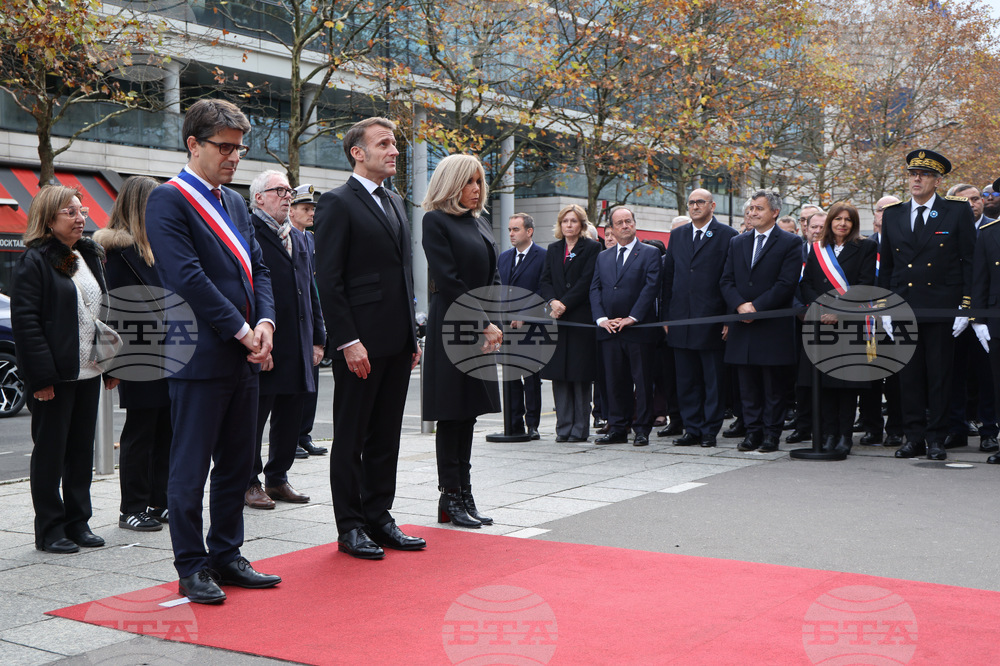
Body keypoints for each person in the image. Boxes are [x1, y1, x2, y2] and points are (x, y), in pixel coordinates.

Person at [145, 98, 280, 604]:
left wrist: (265, 322)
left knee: (237, 464)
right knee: (190, 467)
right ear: (193, 144)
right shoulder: (168, 200)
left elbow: (258, 268)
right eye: (224, 147)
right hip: (200, 355)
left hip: (245, 353)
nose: (234, 157)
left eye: (239, 148)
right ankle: (191, 564)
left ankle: (227, 553)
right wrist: (243, 331)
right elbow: (187, 279)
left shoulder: (237, 203)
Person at [314, 117, 424, 558]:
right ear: (357, 153)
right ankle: (351, 526)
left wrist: (412, 336)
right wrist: (347, 340)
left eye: (394, 143)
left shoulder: (395, 201)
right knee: (351, 437)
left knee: (386, 436)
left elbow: (403, 274)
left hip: (396, 341)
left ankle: (380, 517)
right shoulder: (337, 202)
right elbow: (329, 278)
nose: (394, 150)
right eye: (384, 143)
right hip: (359, 343)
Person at [11, 185, 119, 553]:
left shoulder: (85, 255)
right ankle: (50, 529)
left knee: (80, 452)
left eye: (81, 211)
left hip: (88, 371)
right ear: (48, 219)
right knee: (51, 454)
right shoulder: (36, 261)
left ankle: (78, 522)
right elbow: (27, 324)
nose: (80, 218)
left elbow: (100, 314)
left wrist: (111, 365)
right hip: (55, 376)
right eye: (69, 212)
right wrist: (40, 378)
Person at [421, 153, 502, 528]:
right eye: (469, 181)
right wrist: (484, 323)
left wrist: (493, 322)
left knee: (468, 413)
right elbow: (449, 280)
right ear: (451, 184)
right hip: (453, 323)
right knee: (452, 413)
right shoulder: (435, 220)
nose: (477, 188)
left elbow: (494, 277)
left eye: (479, 181)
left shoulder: (480, 221)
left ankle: (465, 494)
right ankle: (449, 495)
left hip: (480, 325)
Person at [879, 149, 975, 461]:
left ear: (937, 181)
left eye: (923, 175)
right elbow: (888, 266)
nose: (916, 179)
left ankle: (936, 439)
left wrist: (966, 305)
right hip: (904, 306)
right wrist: (885, 306)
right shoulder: (893, 213)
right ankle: (914, 438)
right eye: (912, 174)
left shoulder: (955, 211)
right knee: (909, 378)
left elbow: (970, 261)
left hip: (942, 306)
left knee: (939, 377)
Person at [93, 175, 170, 532]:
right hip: (137, 354)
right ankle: (132, 507)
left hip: (168, 351)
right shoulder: (113, 253)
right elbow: (109, 312)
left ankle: (160, 501)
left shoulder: (157, 246)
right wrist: (113, 366)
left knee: (167, 429)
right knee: (141, 431)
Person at [245, 170, 325, 510]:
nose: (288, 196)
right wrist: (255, 341)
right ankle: (249, 481)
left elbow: (310, 290)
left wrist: (318, 338)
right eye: (280, 190)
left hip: (299, 341)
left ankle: (278, 478)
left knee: (291, 416)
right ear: (259, 197)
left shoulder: (300, 237)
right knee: (254, 418)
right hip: (267, 343)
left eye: (289, 190)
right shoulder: (248, 231)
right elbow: (246, 291)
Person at [720, 189, 802, 453]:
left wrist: (756, 307)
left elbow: (786, 283)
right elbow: (726, 280)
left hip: (771, 325)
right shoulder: (737, 242)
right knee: (747, 385)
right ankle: (752, 432)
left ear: (775, 212)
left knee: (773, 386)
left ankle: (771, 434)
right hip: (743, 325)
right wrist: (740, 305)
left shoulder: (790, 242)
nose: (752, 212)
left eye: (759, 208)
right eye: (751, 208)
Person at [798, 203, 878, 455]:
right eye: (838, 219)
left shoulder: (866, 247)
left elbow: (865, 284)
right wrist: (822, 309)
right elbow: (807, 284)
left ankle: (844, 435)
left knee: (846, 384)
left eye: (848, 220)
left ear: (854, 224)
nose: (842, 224)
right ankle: (828, 434)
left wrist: (838, 312)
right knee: (823, 383)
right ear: (830, 221)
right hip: (821, 323)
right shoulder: (818, 249)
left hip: (849, 324)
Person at [661, 189, 738, 448]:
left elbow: (730, 278)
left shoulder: (727, 235)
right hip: (681, 319)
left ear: (712, 206)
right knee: (686, 380)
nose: (695, 206)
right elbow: (669, 277)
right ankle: (691, 429)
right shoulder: (678, 235)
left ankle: (709, 430)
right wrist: (666, 317)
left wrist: (729, 318)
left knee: (712, 380)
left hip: (712, 319)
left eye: (700, 202)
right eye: (691, 202)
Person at [590, 206, 661, 446]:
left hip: (638, 330)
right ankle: (618, 427)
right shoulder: (603, 256)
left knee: (642, 382)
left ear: (634, 224)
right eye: (619, 223)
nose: (625, 226)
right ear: (610, 229)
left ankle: (641, 429)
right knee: (614, 382)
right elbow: (595, 289)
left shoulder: (650, 253)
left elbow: (651, 287)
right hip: (609, 331)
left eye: (628, 221)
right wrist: (601, 319)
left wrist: (633, 317)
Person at [942, 183, 997, 453]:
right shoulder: (945, 229)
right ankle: (957, 428)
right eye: (964, 201)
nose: (972, 204)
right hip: (954, 312)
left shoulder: (992, 228)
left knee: (987, 374)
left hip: (985, 311)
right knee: (954, 373)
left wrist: (978, 312)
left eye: (976, 198)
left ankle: (989, 430)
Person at [539, 205, 601, 442]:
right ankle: (563, 428)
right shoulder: (554, 249)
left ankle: (579, 429)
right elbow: (545, 280)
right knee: (559, 376)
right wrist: (553, 301)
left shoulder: (592, 248)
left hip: (579, 319)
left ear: (581, 224)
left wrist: (565, 303)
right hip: (557, 320)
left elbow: (587, 281)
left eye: (573, 221)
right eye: (565, 221)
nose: (569, 225)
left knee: (579, 376)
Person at [856, 195, 904, 447]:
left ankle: (896, 428)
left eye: (891, 209)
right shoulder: (864, 246)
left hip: (895, 320)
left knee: (896, 379)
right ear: (874, 214)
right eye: (880, 209)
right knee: (869, 378)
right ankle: (871, 427)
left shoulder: (904, 243)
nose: (884, 214)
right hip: (867, 321)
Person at [288, 183, 328, 458]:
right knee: (292, 388)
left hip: (312, 316)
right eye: (305, 208)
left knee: (311, 383)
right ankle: (289, 439)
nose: (311, 213)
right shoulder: (285, 237)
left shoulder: (311, 239)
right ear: (291, 211)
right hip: (294, 321)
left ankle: (304, 435)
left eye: (312, 208)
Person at [498, 213, 545, 439]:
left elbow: (543, 290)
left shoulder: (543, 256)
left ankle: (532, 424)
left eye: (515, 229)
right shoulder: (504, 257)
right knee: (510, 378)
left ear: (529, 231)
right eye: (509, 229)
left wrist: (525, 314)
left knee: (531, 379)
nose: (511, 234)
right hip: (506, 328)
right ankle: (513, 423)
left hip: (531, 328)